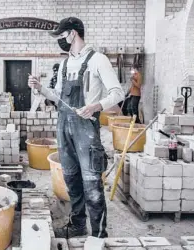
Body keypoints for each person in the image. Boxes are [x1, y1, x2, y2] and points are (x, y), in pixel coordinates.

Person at [28, 17, 124, 239]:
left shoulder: (98, 60)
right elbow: (59, 98)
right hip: (64, 128)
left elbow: (118, 93)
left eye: (62, 36)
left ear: (73, 33)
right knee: (71, 180)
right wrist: (40, 88)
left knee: (92, 184)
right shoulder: (64, 64)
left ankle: (99, 235)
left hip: (86, 130)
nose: (60, 41)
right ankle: (78, 226)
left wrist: (95, 106)